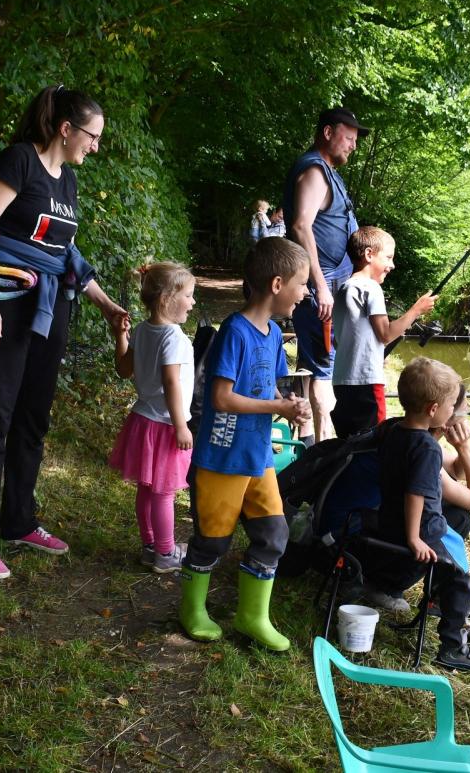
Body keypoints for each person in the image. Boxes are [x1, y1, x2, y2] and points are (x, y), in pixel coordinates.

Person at [0, 85, 127, 580]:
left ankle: (19, 521)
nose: (96, 146)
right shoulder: (20, 161)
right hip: (6, 300)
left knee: (33, 418)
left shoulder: (67, 180)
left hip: (51, 308)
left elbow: (63, 253)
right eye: (92, 136)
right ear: (66, 129)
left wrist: (106, 305)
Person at [179, 236, 312, 651]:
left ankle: (252, 617)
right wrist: (276, 405)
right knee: (212, 542)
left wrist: (290, 405)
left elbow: (268, 386)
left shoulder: (273, 334)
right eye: (302, 283)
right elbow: (221, 398)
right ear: (277, 284)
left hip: (258, 458)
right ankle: (192, 610)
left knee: (274, 535)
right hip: (222, 458)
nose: (305, 292)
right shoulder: (234, 332)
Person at [372, 357, 470, 671]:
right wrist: (415, 538)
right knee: (460, 580)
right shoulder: (426, 448)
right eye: (452, 405)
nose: (455, 411)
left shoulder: (393, 430)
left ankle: (440, 607)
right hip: (427, 529)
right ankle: (452, 646)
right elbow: (416, 493)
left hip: (388, 521)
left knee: (453, 574)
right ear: (434, 409)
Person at [282, 107, 368, 445]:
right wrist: (320, 286)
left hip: (329, 286)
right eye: (349, 138)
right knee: (324, 370)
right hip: (324, 288)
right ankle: (326, 447)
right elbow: (301, 226)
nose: (353, 145)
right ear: (328, 133)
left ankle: (307, 440)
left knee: (313, 364)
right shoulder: (315, 171)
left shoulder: (326, 170)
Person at [107, 262, 196, 574]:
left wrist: (121, 336)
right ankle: (166, 552)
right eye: (189, 295)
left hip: (142, 420)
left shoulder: (143, 330)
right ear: (167, 298)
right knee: (163, 493)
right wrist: (181, 426)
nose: (193, 302)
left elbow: (123, 370)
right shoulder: (174, 337)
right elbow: (171, 382)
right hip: (165, 425)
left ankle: (150, 546)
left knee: (146, 489)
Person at [330, 226, 435, 438]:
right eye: (388, 257)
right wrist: (416, 310)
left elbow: (337, 341)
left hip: (341, 380)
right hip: (366, 381)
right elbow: (386, 334)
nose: (392, 265)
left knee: (349, 442)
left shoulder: (343, 289)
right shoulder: (371, 288)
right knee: (373, 442)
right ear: (369, 254)